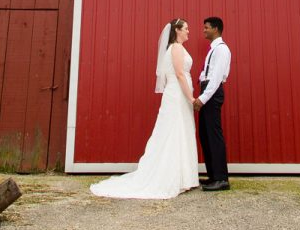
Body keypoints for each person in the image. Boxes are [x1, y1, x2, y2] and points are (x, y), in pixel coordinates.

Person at [89, 18, 199, 199]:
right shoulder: (177, 48)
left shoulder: (174, 48)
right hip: (178, 95)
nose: (188, 32)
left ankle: (183, 177)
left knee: (179, 131)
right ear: (177, 30)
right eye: (186, 28)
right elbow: (179, 74)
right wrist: (191, 97)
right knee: (175, 131)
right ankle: (176, 178)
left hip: (177, 95)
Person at [193, 16, 231, 191]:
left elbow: (215, 78)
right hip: (207, 90)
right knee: (205, 134)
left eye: (206, 27)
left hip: (212, 93)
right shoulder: (213, 49)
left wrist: (203, 98)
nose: (204, 30)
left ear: (215, 29)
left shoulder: (222, 50)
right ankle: (213, 176)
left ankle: (222, 178)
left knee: (214, 135)